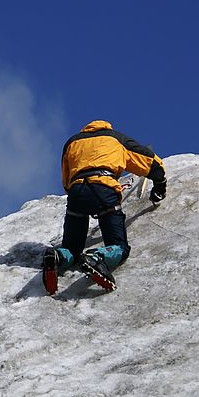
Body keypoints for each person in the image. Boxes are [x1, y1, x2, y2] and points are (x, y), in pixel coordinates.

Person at [42, 120, 166, 294]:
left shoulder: (72, 142)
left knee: (72, 248)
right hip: (104, 189)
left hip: (77, 191)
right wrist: (160, 184)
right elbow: (149, 161)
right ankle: (97, 257)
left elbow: (66, 177)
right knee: (119, 246)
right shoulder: (115, 138)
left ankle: (57, 257)